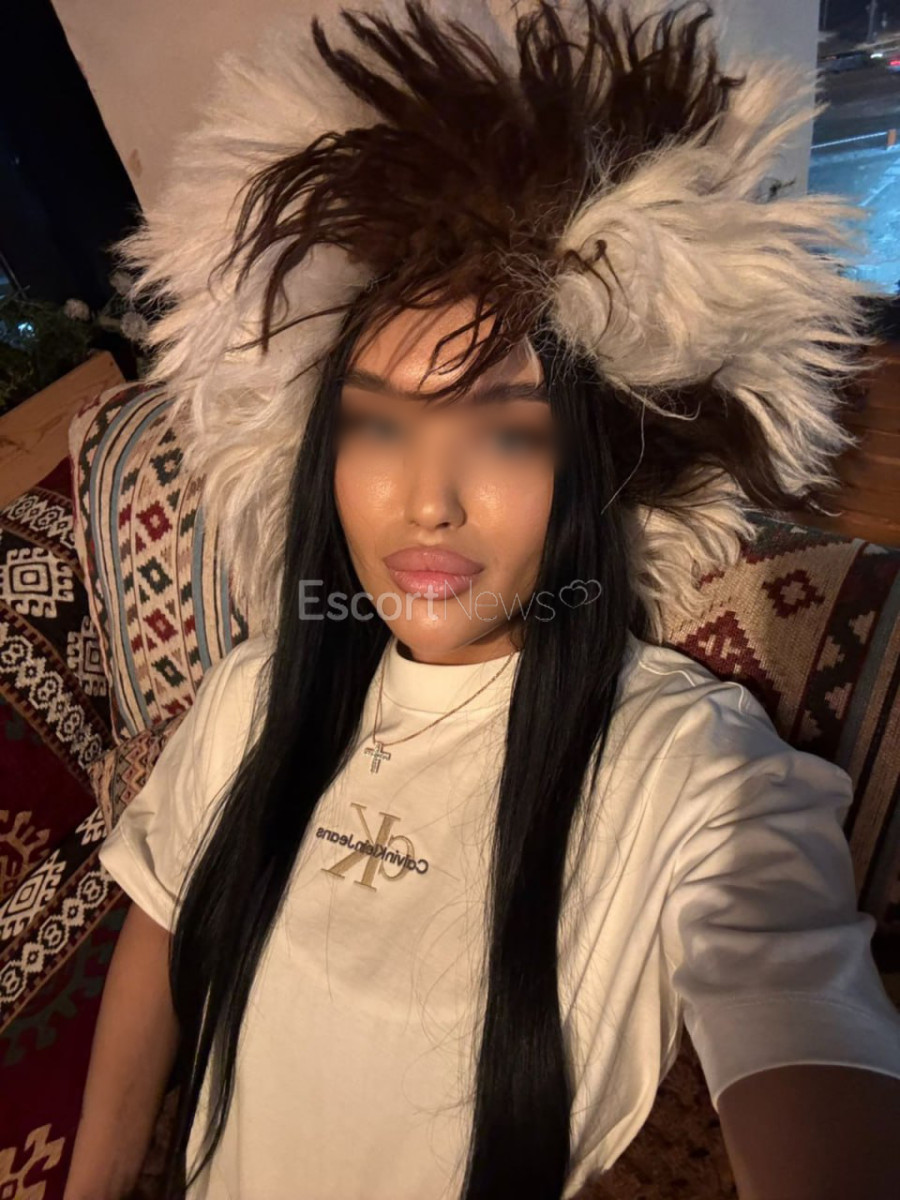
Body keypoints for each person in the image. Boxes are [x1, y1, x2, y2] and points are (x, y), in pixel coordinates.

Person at [65, 2, 900, 1198]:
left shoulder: (697, 774)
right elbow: (163, 914)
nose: (428, 503)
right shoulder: (257, 690)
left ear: (585, 468)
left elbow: (801, 1010)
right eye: (380, 428)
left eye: (503, 434)